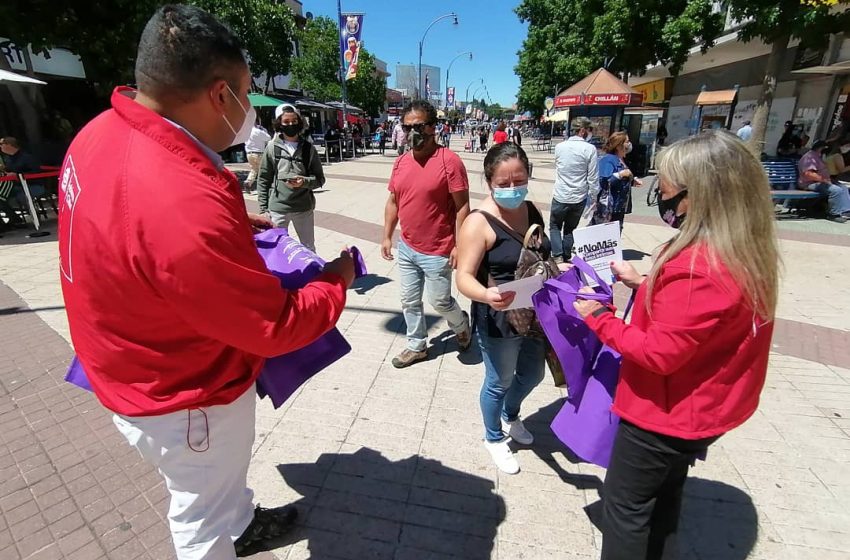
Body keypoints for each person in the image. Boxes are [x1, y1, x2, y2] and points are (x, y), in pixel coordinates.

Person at [57, 6, 356, 559]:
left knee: (216, 494)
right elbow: (274, 325)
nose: (249, 110)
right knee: (199, 520)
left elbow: (126, 226)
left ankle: (240, 519)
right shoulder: (180, 196)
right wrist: (336, 280)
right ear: (221, 94)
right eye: (245, 92)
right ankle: (227, 530)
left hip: (127, 365)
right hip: (185, 397)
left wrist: (233, 223)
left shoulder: (97, 134)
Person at [573, 130, 780, 560]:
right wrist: (646, 284)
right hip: (701, 407)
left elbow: (659, 353)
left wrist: (599, 319)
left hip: (666, 414)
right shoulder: (741, 250)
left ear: (702, 195)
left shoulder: (699, 266)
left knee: (626, 508)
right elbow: (701, 318)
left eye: (667, 190)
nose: (661, 197)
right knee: (664, 495)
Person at [455, 143, 548, 474]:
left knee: (534, 373)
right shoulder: (478, 223)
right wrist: (485, 294)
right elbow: (462, 277)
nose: (512, 189)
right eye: (503, 184)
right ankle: (493, 438)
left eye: (519, 181)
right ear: (489, 181)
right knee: (499, 380)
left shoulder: (532, 211)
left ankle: (511, 415)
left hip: (536, 311)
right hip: (499, 317)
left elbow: (541, 255)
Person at [381, 100, 472, 368]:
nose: (412, 133)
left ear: (434, 127)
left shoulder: (449, 162)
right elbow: (394, 201)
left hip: (438, 249)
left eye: (419, 126)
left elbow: (463, 206)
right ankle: (416, 345)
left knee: (440, 301)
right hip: (407, 246)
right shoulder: (400, 162)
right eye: (407, 127)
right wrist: (387, 235)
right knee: (409, 300)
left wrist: (459, 245)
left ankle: (461, 324)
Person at [257, 104, 326, 251]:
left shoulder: (308, 148)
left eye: (294, 121)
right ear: (279, 124)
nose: (290, 125)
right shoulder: (272, 148)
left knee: (308, 247)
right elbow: (263, 179)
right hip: (278, 208)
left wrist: (304, 182)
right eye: (286, 122)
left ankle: (311, 273)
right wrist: (263, 208)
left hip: (303, 207)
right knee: (276, 247)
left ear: (299, 122)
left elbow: (320, 179)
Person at [550, 116, 599, 262]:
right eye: (590, 130)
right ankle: (565, 256)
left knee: (554, 226)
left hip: (561, 194)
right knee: (570, 229)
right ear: (583, 130)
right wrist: (594, 197)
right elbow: (593, 177)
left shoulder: (560, 147)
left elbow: (558, 166)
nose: (591, 133)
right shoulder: (590, 149)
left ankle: (557, 255)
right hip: (579, 197)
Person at [591, 132, 641, 230]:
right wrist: (621, 174)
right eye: (627, 142)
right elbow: (604, 180)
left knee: (615, 233)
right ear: (618, 146)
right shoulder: (608, 159)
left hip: (619, 206)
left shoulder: (620, 159)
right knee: (606, 235)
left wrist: (631, 181)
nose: (629, 144)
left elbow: (619, 180)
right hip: (609, 207)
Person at [797, 140, 850, 222]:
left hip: (821, 182)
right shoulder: (810, 157)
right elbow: (808, 173)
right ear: (821, 148)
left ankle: (845, 211)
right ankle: (833, 214)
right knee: (836, 190)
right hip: (809, 183)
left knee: (843, 187)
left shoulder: (818, 156)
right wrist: (824, 180)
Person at [0, 136, 44, 228]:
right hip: (16, 186)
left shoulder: (26, 157)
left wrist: (17, 175)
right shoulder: (9, 159)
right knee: (1, 198)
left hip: (33, 185)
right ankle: (13, 218)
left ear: (9, 145)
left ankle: (34, 217)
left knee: (22, 196)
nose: (0, 147)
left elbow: (35, 172)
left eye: (1, 144)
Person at [244, 120, 271, 193]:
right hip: (258, 153)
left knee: (254, 169)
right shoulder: (257, 131)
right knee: (263, 171)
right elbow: (268, 138)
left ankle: (248, 182)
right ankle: (262, 187)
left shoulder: (246, 132)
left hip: (249, 153)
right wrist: (263, 130)